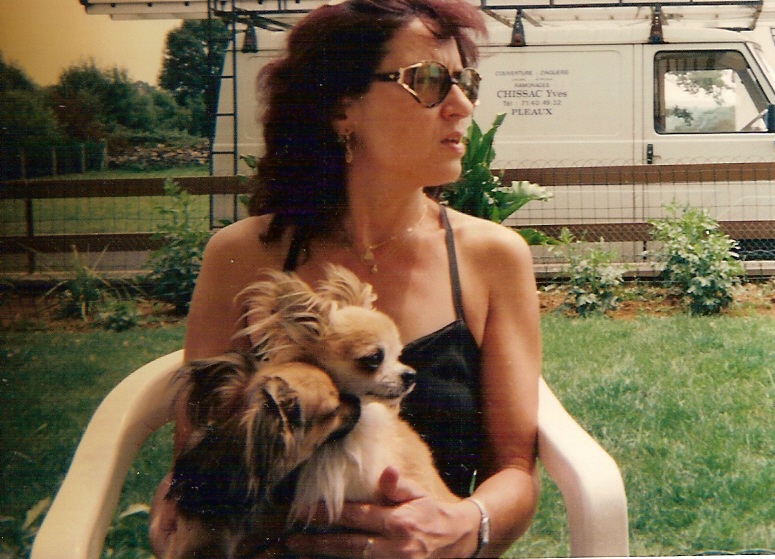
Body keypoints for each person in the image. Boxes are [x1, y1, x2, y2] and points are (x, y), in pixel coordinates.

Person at [149, 0, 541, 556]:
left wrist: (462, 527)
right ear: (340, 107)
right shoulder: (242, 256)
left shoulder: (493, 257)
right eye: (429, 81)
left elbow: (516, 469)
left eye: (465, 82)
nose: (462, 105)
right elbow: (196, 459)